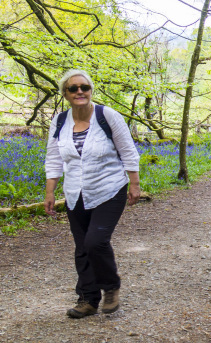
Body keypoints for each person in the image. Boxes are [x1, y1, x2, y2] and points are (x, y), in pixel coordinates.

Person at [44, 69, 141, 319]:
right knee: (82, 247)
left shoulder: (106, 115)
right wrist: (50, 191)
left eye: (84, 88)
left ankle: (111, 287)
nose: (80, 92)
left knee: (95, 242)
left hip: (109, 189)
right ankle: (88, 299)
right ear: (65, 93)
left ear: (90, 91)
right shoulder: (59, 121)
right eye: (73, 88)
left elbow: (128, 150)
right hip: (76, 193)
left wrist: (134, 183)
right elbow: (54, 158)